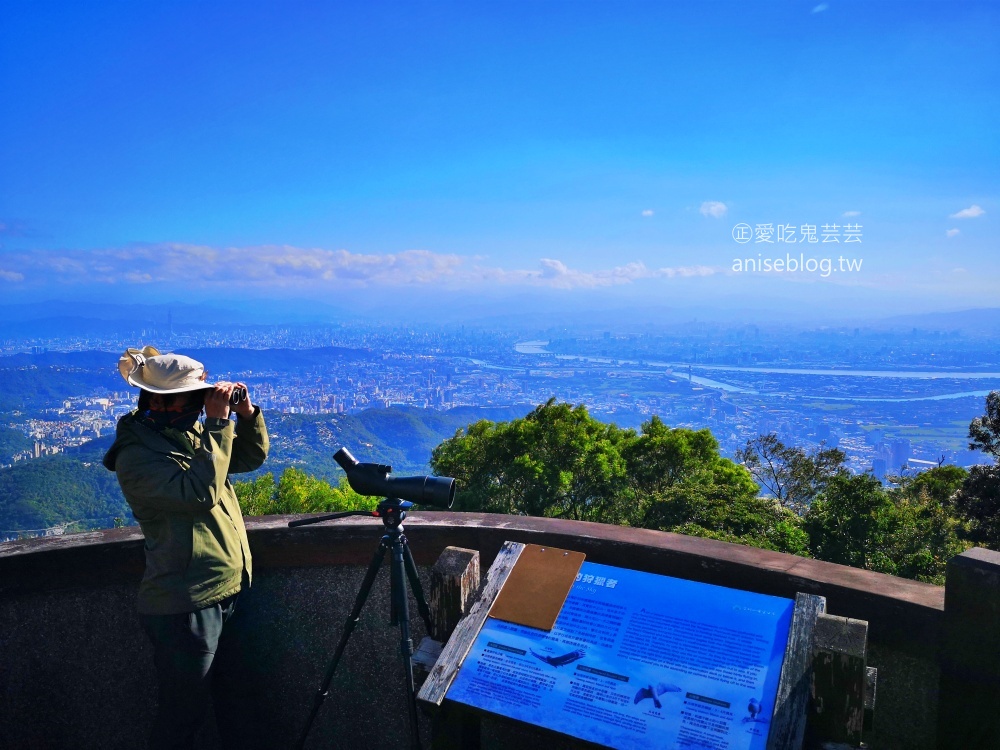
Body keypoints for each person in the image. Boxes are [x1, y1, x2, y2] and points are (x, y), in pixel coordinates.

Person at [103, 346, 269, 749]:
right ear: (155, 400)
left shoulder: (185, 431)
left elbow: (247, 457)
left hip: (229, 588)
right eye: (190, 396)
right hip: (186, 602)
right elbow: (200, 493)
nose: (199, 403)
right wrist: (215, 423)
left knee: (241, 704)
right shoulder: (136, 457)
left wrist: (245, 417)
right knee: (183, 715)